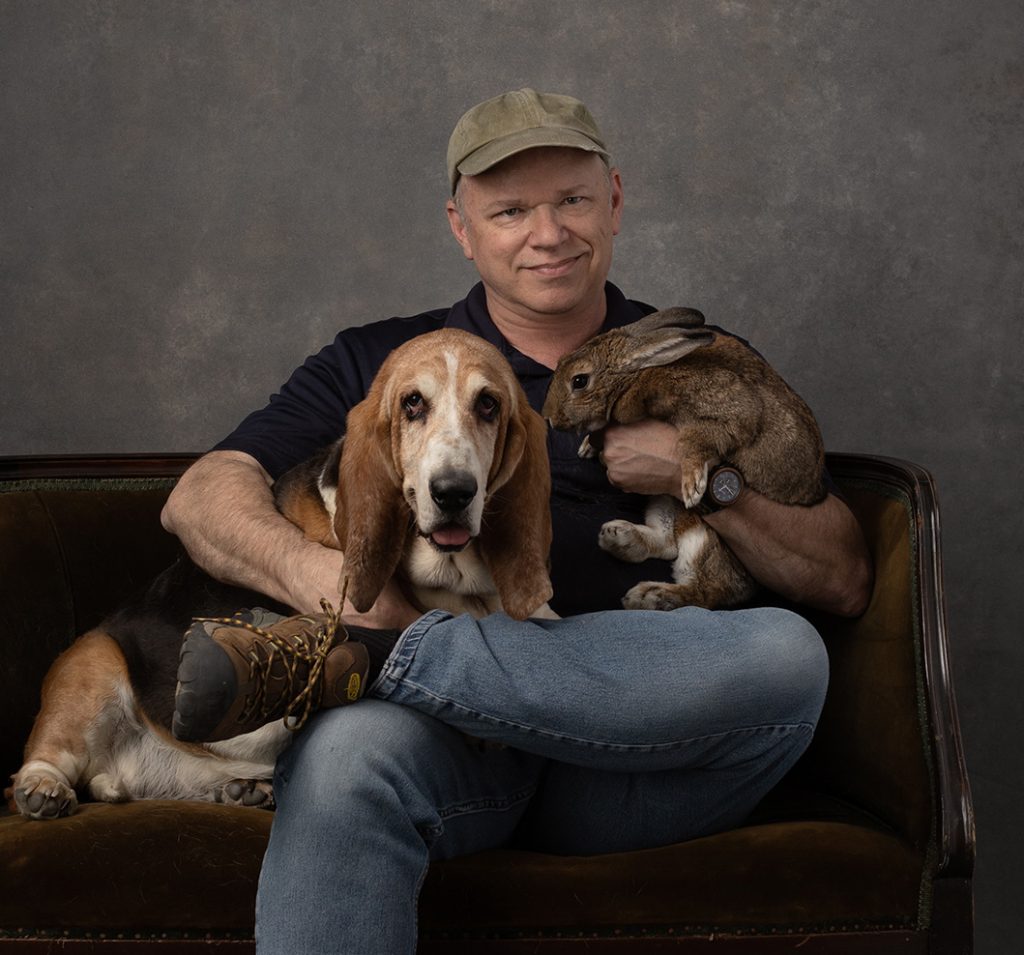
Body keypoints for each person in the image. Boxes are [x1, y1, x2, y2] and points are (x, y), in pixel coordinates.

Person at [162, 88, 872, 954]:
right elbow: (200, 494)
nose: (549, 233)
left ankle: (389, 662)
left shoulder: (696, 361)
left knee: (787, 656)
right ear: (462, 227)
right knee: (343, 759)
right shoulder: (383, 362)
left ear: (614, 200)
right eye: (510, 210)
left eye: (572, 200)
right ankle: (393, 657)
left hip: (636, 754)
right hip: (443, 749)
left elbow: (840, 574)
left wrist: (706, 476)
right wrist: (329, 584)